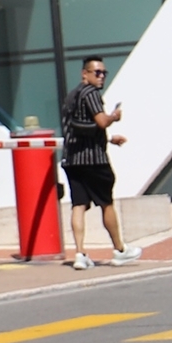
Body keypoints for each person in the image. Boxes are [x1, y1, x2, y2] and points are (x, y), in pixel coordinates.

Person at [59, 55, 134, 269]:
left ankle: (80, 253)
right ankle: (120, 249)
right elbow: (101, 122)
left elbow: (80, 128)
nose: (102, 77)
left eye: (104, 73)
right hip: (94, 160)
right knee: (106, 203)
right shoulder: (91, 93)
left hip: (72, 159)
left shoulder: (71, 96)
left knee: (78, 205)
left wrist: (109, 139)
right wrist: (114, 117)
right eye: (97, 72)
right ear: (85, 73)